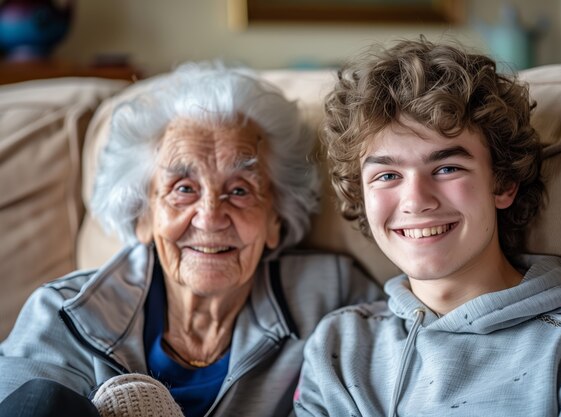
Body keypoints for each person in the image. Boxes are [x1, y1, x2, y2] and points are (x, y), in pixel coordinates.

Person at [0, 62, 383, 417]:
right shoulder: (66, 314)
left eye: (240, 190)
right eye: (183, 188)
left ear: (275, 219)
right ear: (143, 216)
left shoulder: (332, 294)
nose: (211, 216)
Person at [294, 37, 561, 416]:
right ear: (361, 195)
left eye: (447, 168)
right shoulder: (339, 345)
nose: (416, 200)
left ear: (502, 183)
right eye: (387, 175)